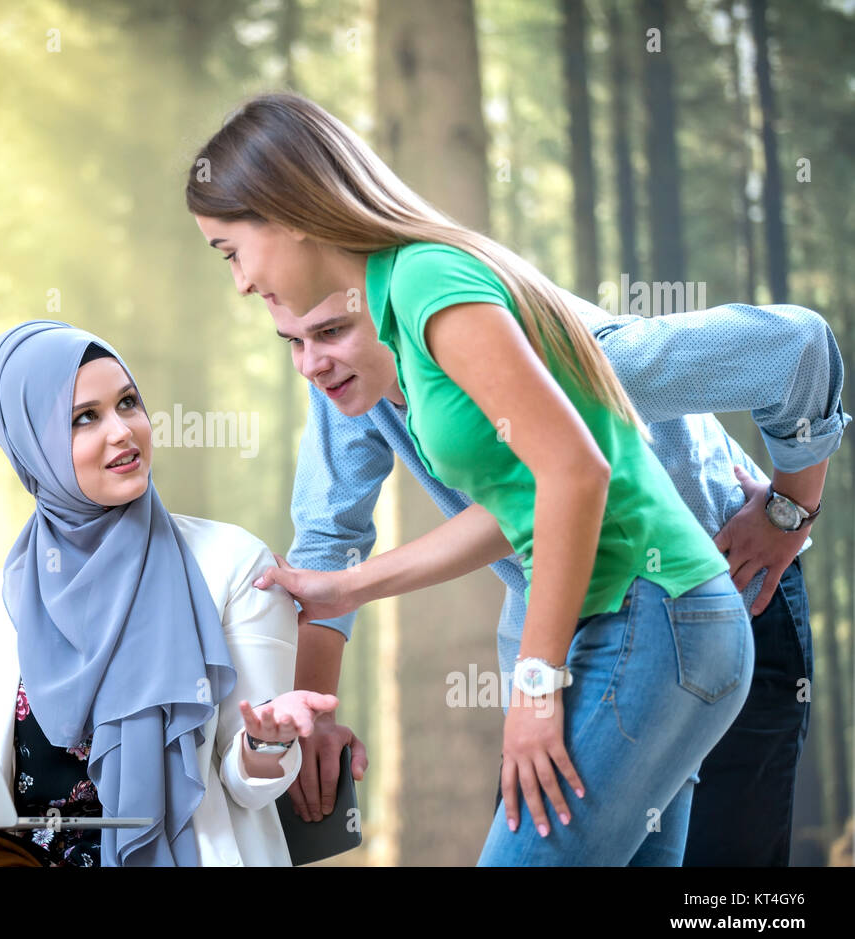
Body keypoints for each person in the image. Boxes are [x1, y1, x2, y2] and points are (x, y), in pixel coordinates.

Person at [187, 91, 763, 865]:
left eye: (230, 250)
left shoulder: (428, 280)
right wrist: (352, 587)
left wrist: (532, 683)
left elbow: (574, 470)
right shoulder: (391, 315)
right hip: (655, 625)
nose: (238, 282)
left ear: (286, 210)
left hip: (649, 617)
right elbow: (514, 503)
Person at [270, 289, 845, 867]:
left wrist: (790, 509)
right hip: (570, 631)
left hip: (734, 593)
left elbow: (795, 347)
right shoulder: (349, 376)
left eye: (329, 332)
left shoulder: (555, 355)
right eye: (294, 340)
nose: (312, 363)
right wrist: (314, 715)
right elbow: (329, 536)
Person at [0, 319, 336, 867]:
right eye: (84, 418)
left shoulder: (233, 565)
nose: (123, 431)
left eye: (129, 403)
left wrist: (268, 743)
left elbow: (249, 788)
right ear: (32, 446)